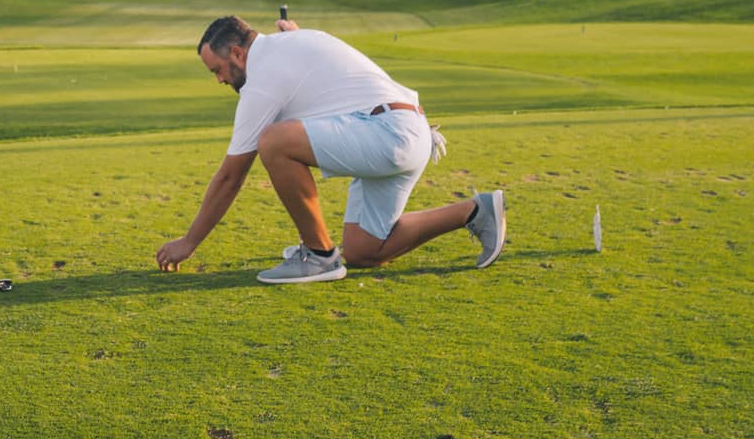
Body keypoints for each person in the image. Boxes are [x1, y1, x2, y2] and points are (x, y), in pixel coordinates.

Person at [155, 15, 506, 284]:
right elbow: (313, 65)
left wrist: (190, 241)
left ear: (237, 53)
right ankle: (474, 211)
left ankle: (319, 255)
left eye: (217, 70)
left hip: (389, 134)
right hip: (405, 132)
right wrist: (295, 39)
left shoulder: (262, 77)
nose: (219, 80)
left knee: (273, 142)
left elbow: (232, 175)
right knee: (365, 250)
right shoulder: (292, 42)